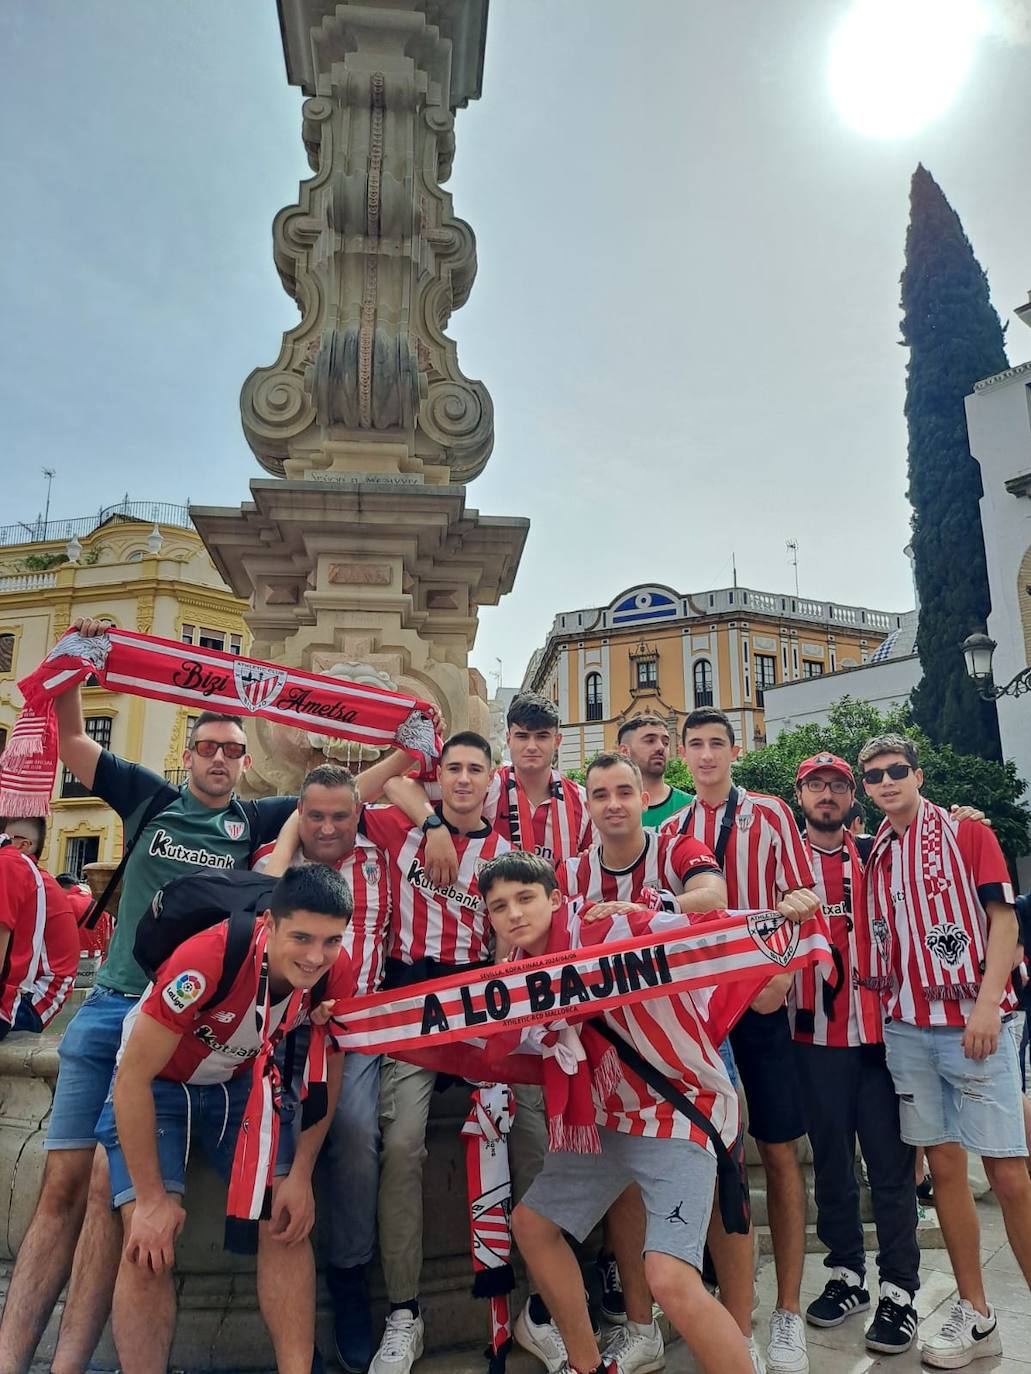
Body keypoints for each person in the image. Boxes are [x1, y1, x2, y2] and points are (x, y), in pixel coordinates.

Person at [0, 614, 296, 1374]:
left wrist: (406, 743)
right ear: (188, 753)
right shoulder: (149, 798)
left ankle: (68, 1363)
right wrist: (75, 663)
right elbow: (70, 742)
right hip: (112, 1009)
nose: (223, 759)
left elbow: (334, 795)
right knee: (63, 1182)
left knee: (107, 1185)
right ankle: (10, 1356)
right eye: (210, 747)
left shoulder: (251, 819)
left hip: (176, 1025)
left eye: (235, 749)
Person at [483, 850, 781, 1374]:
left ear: (554, 899)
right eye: (499, 906)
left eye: (525, 898)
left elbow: (705, 930)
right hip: (604, 1123)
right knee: (532, 1226)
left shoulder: (612, 927)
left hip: (677, 1113)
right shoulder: (513, 976)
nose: (513, 914)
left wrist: (785, 924)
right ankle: (585, 1365)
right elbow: (475, 1037)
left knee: (669, 1276)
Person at [95, 864, 354, 1374]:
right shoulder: (207, 958)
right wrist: (149, 1201)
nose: (315, 956)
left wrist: (300, 1174)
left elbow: (329, 1069)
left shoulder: (333, 969)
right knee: (146, 1241)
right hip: (158, 1086)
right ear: (271, 924)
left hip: (238, 1083)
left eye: (330, 941)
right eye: (301, 937)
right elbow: (131, 1079)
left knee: (285, 1218)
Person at [354, 732, 546, 1374]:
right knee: (403, 1142)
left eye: (475, 770)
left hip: (477, 1004)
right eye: (453, 769)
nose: (464, 779)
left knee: (535, 1134)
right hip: (410, 1004)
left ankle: (543, 1302)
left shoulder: (508, 854)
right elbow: (354, 793)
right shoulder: (399, 828)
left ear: (494, 779)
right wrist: (430, 820)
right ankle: (405, 1312)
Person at [858, 733, 1031, 1369]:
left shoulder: (965, 834)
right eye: (874, 775)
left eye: (896, 770)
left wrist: (988, 1004)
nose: (885, 781)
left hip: (972, 1022)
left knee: (1009, 1172)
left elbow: (1004, 920)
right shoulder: (876, 849)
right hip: (908, 1024)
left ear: (919, 773)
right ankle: (977, 1311)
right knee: (946, 1168)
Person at [662, 708, 820, 1374]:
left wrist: (781, 974)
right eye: (693, 745)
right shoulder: (670, 830)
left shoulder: (773, 816)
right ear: (681, 754)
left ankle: (785, 1312)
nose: (704, 756)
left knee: (779, 1152)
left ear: (735, 749)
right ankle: (733, 1316)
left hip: (761, 1001)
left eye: (714, 744)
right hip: (701, 1012)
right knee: (715, 1158)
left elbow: (803, 894)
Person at [254, 763, 393, 1373]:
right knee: (266, 1141)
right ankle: (290, 1308)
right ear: (298, 814)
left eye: (342, 815)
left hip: (356, 1030)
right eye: (316, 815)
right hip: (276, 1030)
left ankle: (349, 1277)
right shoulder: (274, 860)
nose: (330, 827)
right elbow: (258, 904)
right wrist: (289, 840)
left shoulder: (383, 858)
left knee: (357, 1132)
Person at [789, 753, 920, 1355]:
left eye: (837, 785)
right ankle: (846, 1274)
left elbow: (931, 845)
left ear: (851, 796)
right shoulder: (783, 863)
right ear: (800, 794)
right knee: (833, 1165)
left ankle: (900, 1289)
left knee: (892, 1170)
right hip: (814, 1039)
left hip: (883, 1038)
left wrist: (966, 816)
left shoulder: (878, 852)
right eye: (815, 784)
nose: (826, 794)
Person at [483, 692, 592, 863]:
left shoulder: (583, 801)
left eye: (542, 736)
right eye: (522, 736)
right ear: (508, 739)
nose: (531, 747)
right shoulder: (487, 789)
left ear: (557, 741)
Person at [0, 818, 79, 1038]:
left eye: (6, 838)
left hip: (33, 999)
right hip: (38, 995)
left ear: (22, 845)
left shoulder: (21, 876)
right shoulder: (36, 878)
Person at [617, 715, 693, 828]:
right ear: (624, 751)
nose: (661, 747)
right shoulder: (610, 810)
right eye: (650, 741)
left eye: (666, 743)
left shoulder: (689, 808)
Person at [56, 871, 113, 958]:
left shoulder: (64, 901)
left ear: (60, 887)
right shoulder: (98, 902)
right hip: (96, 957)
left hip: (71, 956)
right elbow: (108, 935)